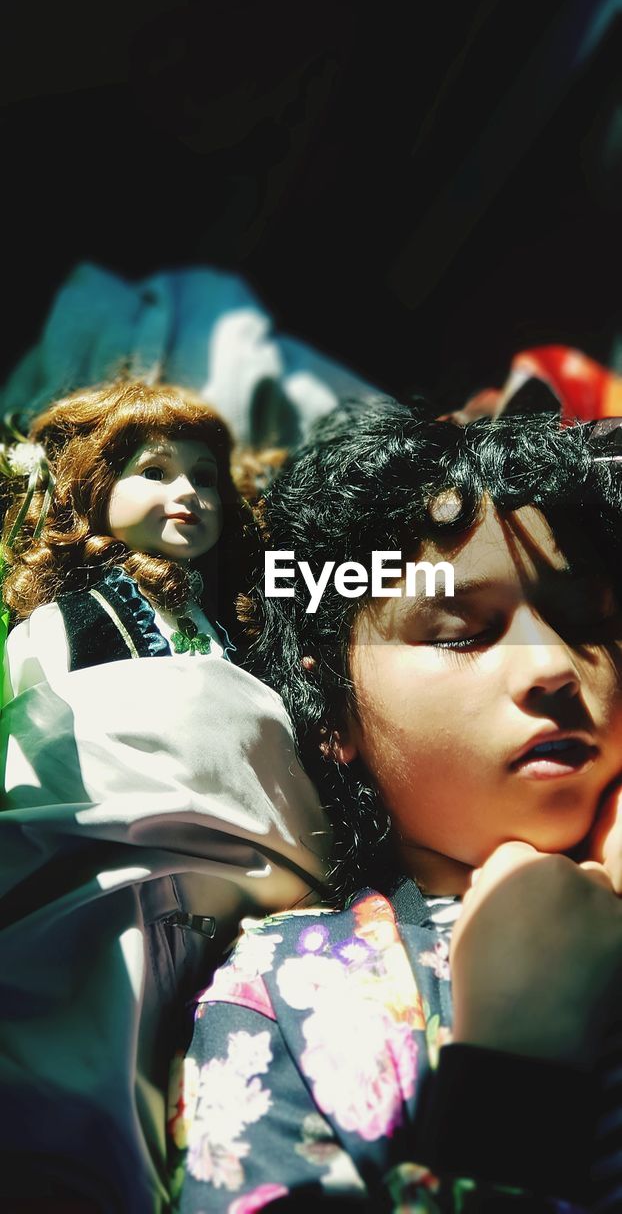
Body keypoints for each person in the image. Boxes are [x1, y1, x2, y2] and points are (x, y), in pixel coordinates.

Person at [171, 399, 622, 1213]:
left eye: (584, 616)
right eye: (460, 633)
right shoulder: (282, 991)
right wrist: (513, 1089)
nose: (551, 665)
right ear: (335, 714)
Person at [0, 380, 331, 1212]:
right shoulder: (66, 623)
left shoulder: (235, 632)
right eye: (156, 471)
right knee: (114, 1027)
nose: (189, 492)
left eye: (206, 476)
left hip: (249, 870)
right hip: (113, 869)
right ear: (93, 489)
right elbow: (41, 743)